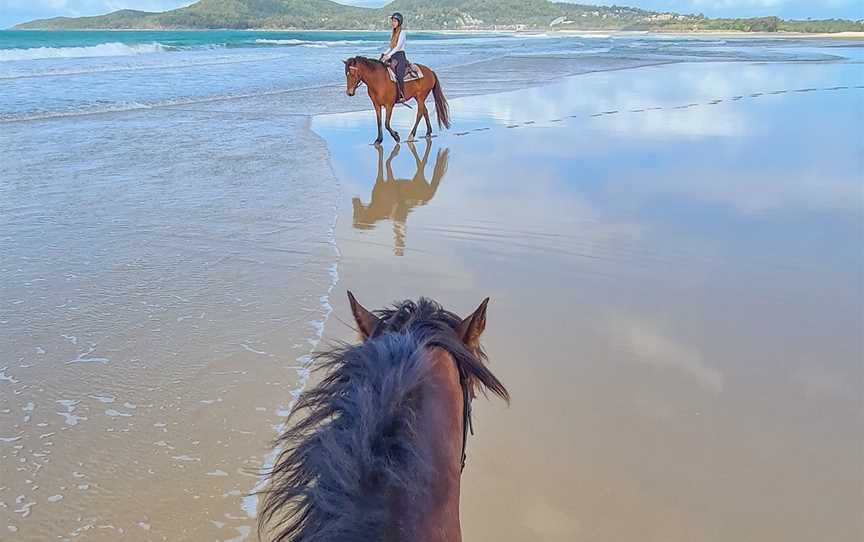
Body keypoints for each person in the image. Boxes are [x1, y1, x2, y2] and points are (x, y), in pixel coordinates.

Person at [381, 12, 407, 103]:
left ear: (399, 22)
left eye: (395, 21)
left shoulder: (402, 32)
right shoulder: (393, 32)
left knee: (399, 75)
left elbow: (398, 46)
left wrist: (389, 55)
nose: (393, 23)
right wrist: (384, 54)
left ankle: (401, 95)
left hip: (400, 55)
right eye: (392, 21)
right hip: (393, 54)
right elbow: (391, 46)